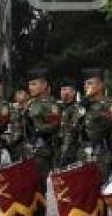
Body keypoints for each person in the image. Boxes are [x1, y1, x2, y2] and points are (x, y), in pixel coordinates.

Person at [23, 66, 60, 199]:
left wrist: (38, 129)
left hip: (43, 152)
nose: (30, 87)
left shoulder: (51, 105)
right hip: (29, 151)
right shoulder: (30, 103)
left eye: (34, 84)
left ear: (44, 85)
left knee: (38, 190)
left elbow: (55, 126)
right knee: (29, 191)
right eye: (29, 84)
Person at [77, 68, 112, 182]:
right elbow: (73, 127)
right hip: (83, 154)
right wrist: (82, 107)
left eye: (90, 83)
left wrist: (89, 108)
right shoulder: (84, 104)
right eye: (85, 83)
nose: (86, 86)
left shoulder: (108, 105)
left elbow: (101, 128)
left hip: (101, 155)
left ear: (100, 86)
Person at [57, 77, 81, 167]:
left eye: (66, 89)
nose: (63, 93)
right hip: (58, 148)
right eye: (62, 90)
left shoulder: (77, 108)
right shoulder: (58, 108)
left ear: (73, 92)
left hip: (73, 149)